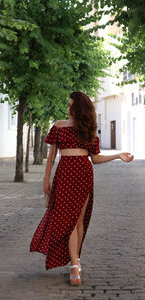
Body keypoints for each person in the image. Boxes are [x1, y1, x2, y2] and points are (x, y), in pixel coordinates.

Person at [29, 91, 134, 286]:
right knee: (68, 220)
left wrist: (118, 156)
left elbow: (95, 158)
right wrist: (46, 179)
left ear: (80, 108)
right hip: (63, 176)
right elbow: (51, 157)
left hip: (83, 175)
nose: (68, 109)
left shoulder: (89, 128)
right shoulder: (58, 126)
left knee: (77, 221)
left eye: (72, 106)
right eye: (67, 105)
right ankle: (75, 263)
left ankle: (75, 262)